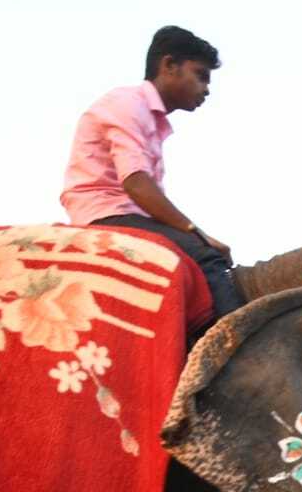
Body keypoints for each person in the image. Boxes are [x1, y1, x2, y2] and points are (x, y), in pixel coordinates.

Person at [61, 26, 245, 322]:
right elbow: (136, 184)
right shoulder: (128, 104)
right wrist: (197, 234)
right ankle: (236, 342)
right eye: (200, 75)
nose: (206, 89)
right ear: (169, 65)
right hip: (106, 213)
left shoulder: (149, 117)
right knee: (206, 256)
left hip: (123, 213)